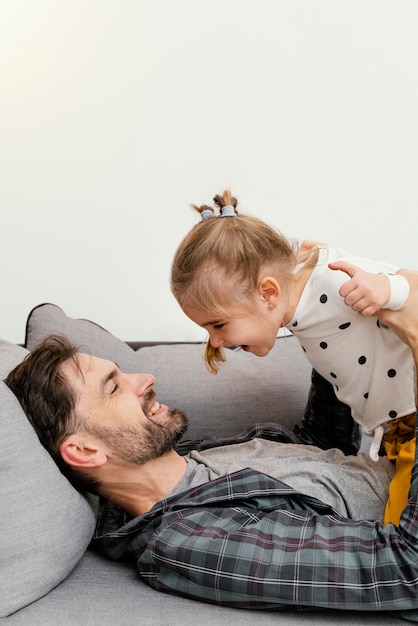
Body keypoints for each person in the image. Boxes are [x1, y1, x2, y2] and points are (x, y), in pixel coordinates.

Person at [3, 270, 418, 619]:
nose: (144, 379)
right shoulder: (188, 540)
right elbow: (408, 568)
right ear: (86, 452)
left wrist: (322, 329)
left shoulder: (189, 460)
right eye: (114, 388)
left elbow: (317, 449)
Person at [170, 190, 416, 524]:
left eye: (218, 324)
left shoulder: (335, 280)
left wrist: (388, 290)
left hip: (411, 423)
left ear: (267, 293)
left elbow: (409, 287)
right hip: (395, 434)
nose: (215, 341)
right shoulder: (297, 298)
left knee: (399, 533)